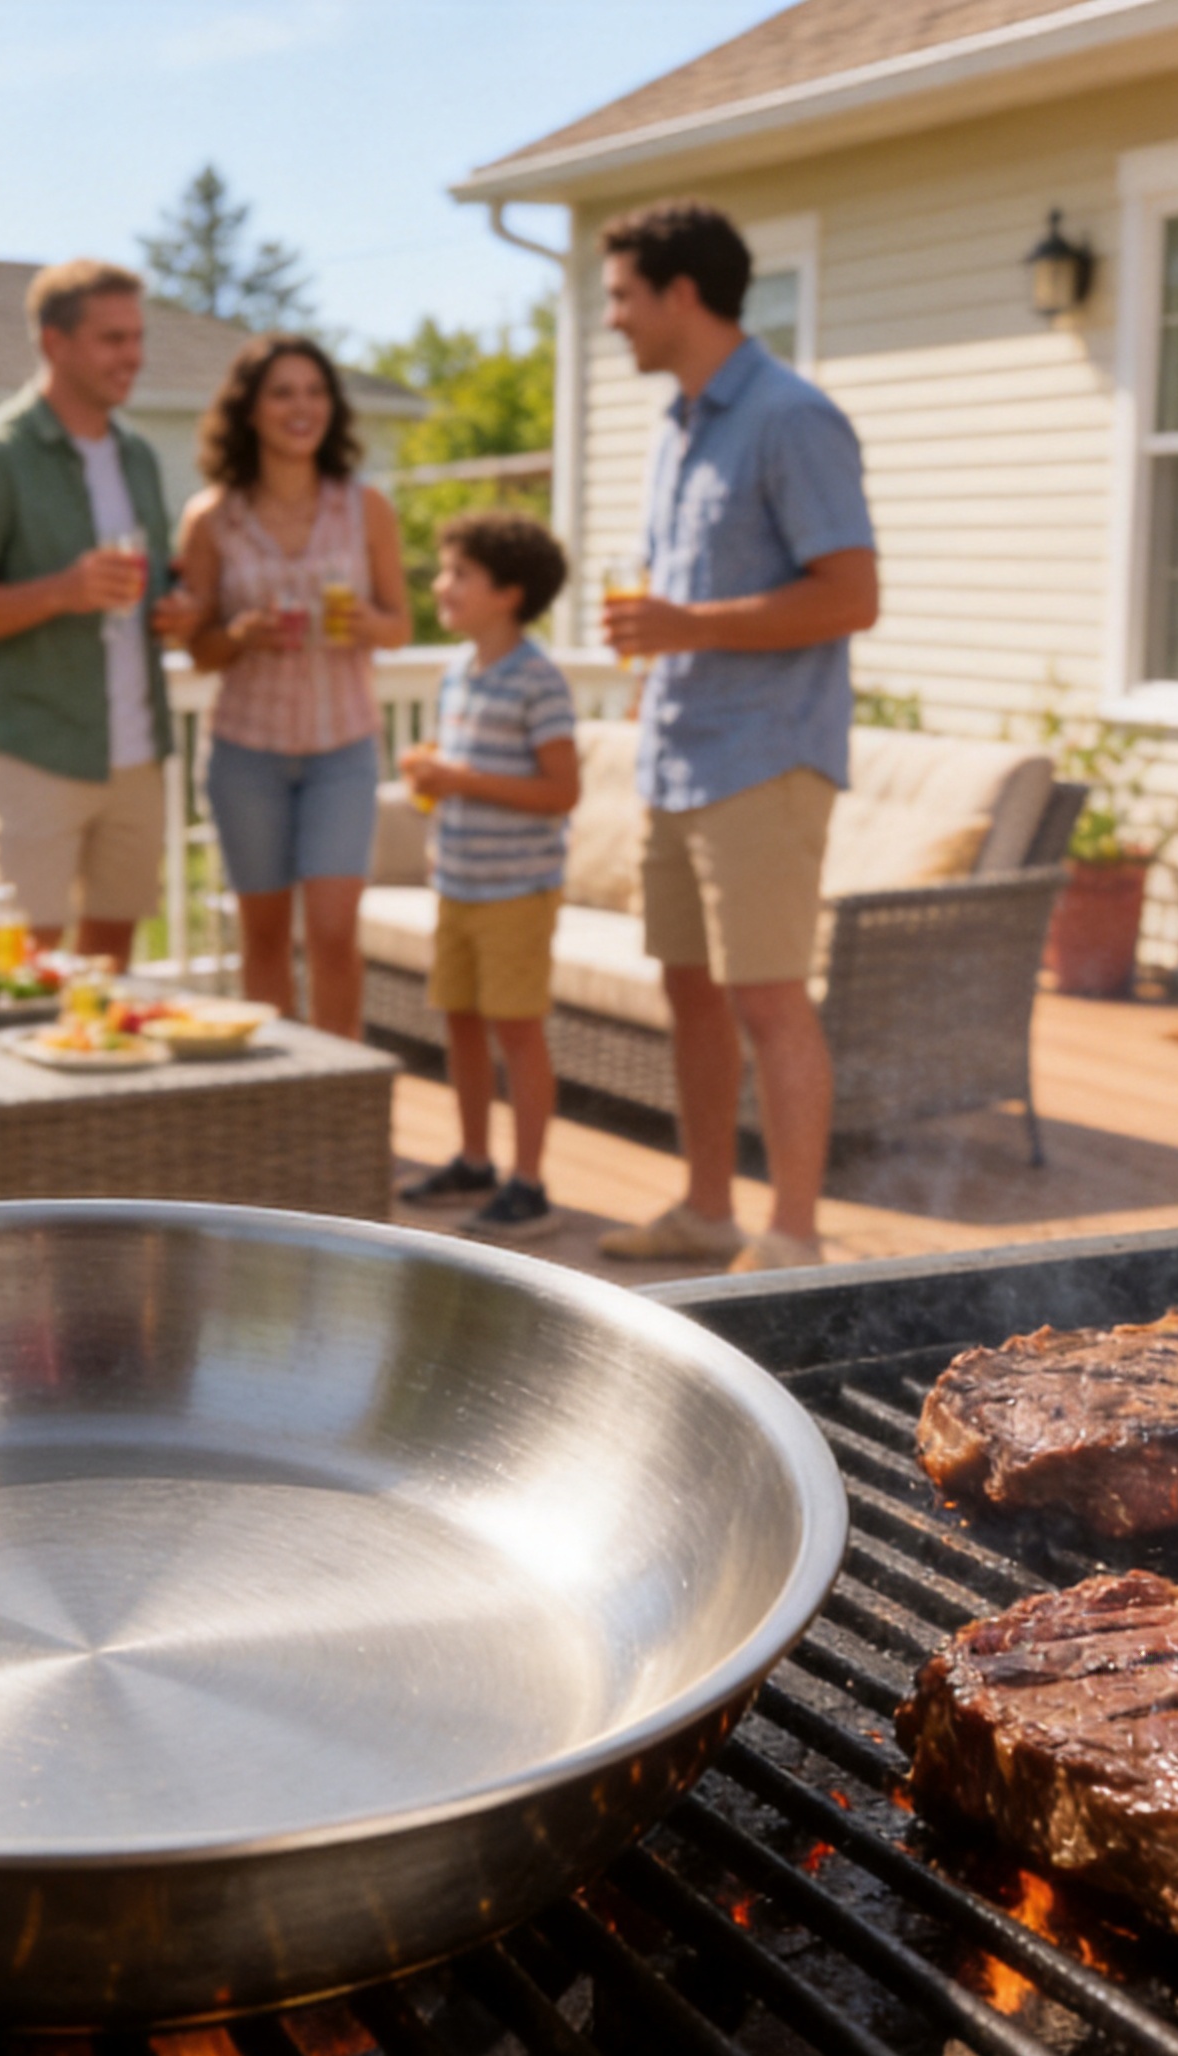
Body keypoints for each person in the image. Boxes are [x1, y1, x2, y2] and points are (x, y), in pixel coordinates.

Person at [591, 199, 880, 1275]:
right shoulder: (681, 426)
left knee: (767, 998)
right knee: (690, 991)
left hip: (765, 757)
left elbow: (851, 596)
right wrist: (657, 672)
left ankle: (794, 1237)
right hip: (680, 750)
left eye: (622, 296)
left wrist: (681, 625)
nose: (613, 318)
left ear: (680, 294)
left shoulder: (791, 418)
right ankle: (708, 1210)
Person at [0, 259, 205, 971]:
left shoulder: (136, 456)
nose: (132, 356)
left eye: (136, 337)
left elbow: (155, 576)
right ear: (54, 342)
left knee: (110, 969)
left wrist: (176, 606)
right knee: (22, 966)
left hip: (135, 753)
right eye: (112, 339)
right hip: (34, 751)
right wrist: (60, 592)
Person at [173, 335, 411, 1034]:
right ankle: (279, 1109)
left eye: (314, 392)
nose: (301, 407)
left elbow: (401, 626)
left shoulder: (366, 508)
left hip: (343, 747)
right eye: (282, 392)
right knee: (265, 937)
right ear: (248, 410)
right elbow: (200, 650)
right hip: (247, 752)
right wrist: (240, 636)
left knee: (336, 933)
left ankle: (342, 1101)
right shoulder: (211, 518)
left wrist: (365, 621)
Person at [394, 511, 579, 1238]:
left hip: (517, 893)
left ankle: (528, 1183)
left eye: (458, 574)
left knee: (517, 1032)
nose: (441, 585)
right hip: (459, 885)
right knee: (461, 1024)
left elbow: (562, 791)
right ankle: (474, 1159)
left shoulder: (540, 680)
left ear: (509, 592)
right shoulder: (456, 674)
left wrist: (461, 778)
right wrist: (435, 776)